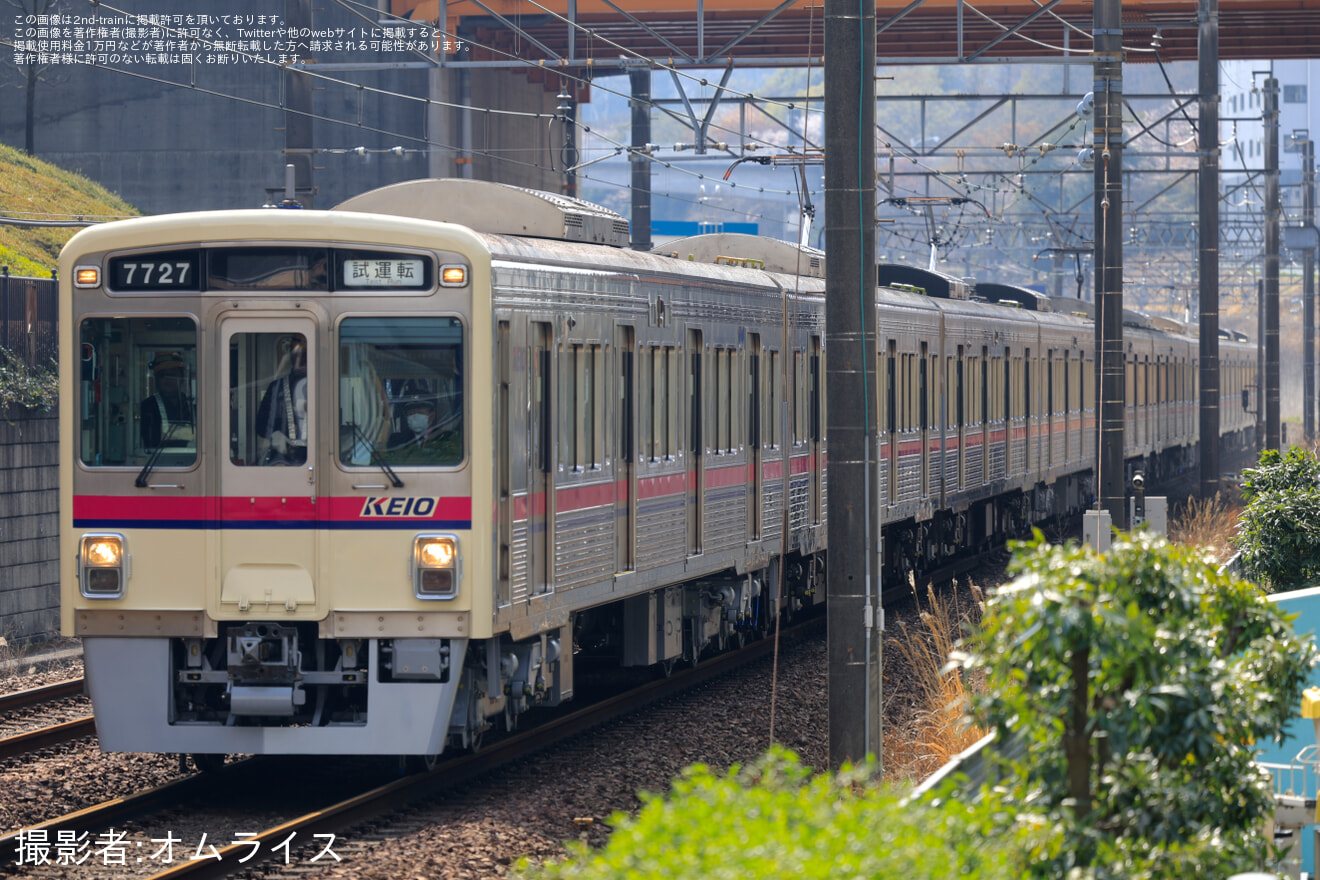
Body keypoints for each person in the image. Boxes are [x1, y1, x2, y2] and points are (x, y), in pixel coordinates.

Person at [256, 337, 309, 465]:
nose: (300, 359)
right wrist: (275, 435)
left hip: (319, 458)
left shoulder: (324, 387)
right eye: (296, 353)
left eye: (304, 354)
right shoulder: (277, 387)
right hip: (283, 460)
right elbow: (261, 424)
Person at [140, 352, 194, 450]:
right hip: (158, 463)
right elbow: (149, 441)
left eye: (172, 374)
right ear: (156, 379)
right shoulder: (148, 406)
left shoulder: (194, 405)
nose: (168, 379)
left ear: (182, 377)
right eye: (162, 375)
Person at [386, 396, 459, 465]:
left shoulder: (445, 438)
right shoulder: (396, 441)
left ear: (432, 416)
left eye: (420, 413)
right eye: (411, 413)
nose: (415, 417)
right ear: (406, 417)